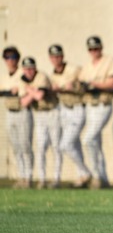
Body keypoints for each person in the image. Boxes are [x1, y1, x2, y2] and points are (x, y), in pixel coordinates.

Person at [48, 44, 92, 188]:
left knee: (65, 145)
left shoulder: (74, 69)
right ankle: (82, 177)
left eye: (58, 56)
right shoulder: (53, 75)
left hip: (77, 108)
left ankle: (86, 172)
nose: (56, 59)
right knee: (74, 144)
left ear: (62, 56)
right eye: (53, 57)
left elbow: (85, 84)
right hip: (64, 109)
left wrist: (74, 86)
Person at [79, 36, 113, 189]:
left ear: (101, 48)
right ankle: (103, 178)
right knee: (95, 141)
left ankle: (95, 175)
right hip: (90, 105)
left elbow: (112, 83)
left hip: (103, 104)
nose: (94, 51)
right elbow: (81, 82)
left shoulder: (109, 61)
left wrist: (94, 84)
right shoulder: (87, 66)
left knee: (87, 139)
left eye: (96, 48)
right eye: (91, 49)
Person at [18, 57, 60, 189]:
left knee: (56, 146)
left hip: (53, 112)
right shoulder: (22, 80)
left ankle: (56, 179)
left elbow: (40, 96)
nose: (29, 71)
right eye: (26, 69)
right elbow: (23, 103)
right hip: (39, 114)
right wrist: (33, 91)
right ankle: (42, 179)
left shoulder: (41, 76)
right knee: (40, 147)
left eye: (31, 68)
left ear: (35, 68)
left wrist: (29, 90)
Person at [2, 46, 33, 188]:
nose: (10, 60)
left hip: (22, 111)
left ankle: (29, 177)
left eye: (13, 57)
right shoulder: (5, 77)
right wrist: (9, 91)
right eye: (7, 57)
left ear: (18, 59)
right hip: (10, 112)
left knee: (25, 145)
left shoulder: (23, 73)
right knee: (16, 146)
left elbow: (21, 91)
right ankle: (21, 176)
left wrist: (10, 92)